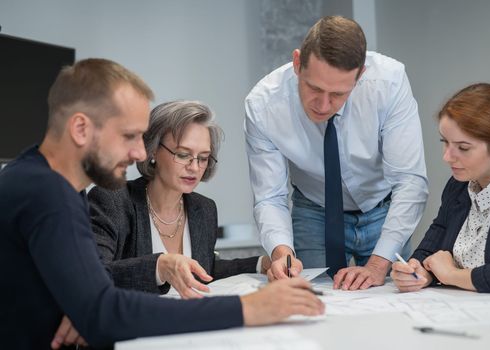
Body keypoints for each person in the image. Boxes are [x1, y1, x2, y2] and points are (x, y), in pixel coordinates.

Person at [0, 58, 324, 349]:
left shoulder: (32, 178)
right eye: (129, 136)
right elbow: (103, 311)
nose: (140, 154)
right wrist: (248, 309)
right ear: (81, 128)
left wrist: (82, 307)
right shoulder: (50, 195)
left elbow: (89, 299)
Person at [244, 15, 428, 289]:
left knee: (393, 298)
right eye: (314, 88)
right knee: (308, 296)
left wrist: (378, 265)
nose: (323, 104)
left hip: (382, 208)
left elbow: (410, 181)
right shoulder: (263, 105)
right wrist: (281, 252)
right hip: (314, 210)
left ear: (360, 74)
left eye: (339, 94)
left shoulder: (389, 82)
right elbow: (270, 196)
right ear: (297, 63)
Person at [88, 100, 271, 299]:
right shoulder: (113, 201)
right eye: (183, 155)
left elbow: (204, 268)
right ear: (153, 150)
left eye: (203, 158)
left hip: (190, 321)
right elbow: (93, 275)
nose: (194, 167)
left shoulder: (204, 208)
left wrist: (261, 264)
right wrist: (159, 267)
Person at [391, 83, 490, 294]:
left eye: (463, 148)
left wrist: (451, 275)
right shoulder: (459, 184)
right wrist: (418, 270)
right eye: (445, 142)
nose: (447, 157)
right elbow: (435, 240)